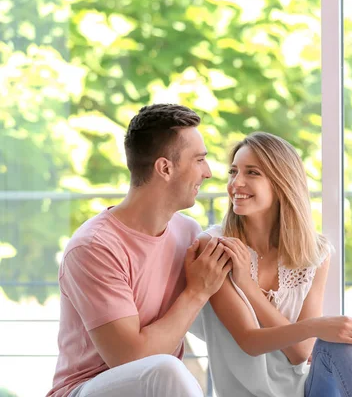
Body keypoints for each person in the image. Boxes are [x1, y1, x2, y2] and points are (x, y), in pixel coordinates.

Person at [47, 104, 231, 397]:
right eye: (199, 160)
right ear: (165, 168)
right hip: (83, 390)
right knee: (167, 369)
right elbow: (130, 360)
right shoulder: (94, 247)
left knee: (170, 369)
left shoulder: (188, 233)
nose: (208, 173)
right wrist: (196, 292)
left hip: (157, 389)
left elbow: (227, 323)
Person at [190, 132, 352, 396]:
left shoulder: (316, 252)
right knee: (336, 337)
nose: (236, 183)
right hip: (246, 392)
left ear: (281, 182)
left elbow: (300, 352)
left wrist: (247, 285)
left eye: (252, 173)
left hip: (306, 389)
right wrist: (316, 327)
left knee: (345, 345)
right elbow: (249, 341)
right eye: (233, 172)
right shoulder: (215, 246)